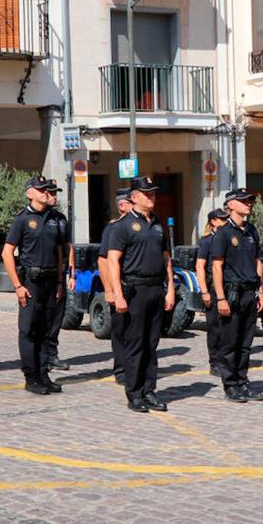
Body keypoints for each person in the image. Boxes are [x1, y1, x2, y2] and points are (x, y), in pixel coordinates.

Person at [104, 176, 176, 412]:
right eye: (147, 194)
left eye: (154, 193)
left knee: (151, 344)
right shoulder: (122, 226)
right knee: (135, 344)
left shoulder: (158, 223)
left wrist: (170, 289)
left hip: (156, 289)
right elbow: (113, 261)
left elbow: (167, 259)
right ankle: (134, 394)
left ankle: (149, 390)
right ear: (134, 198)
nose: (152, 197)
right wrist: (118, 294)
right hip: (134, 290)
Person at [2, 175, 68, 395]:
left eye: (46, 190)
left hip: (51, 281)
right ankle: (31, 377)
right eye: (41, 190)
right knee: (29, 331)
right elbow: (7, 252)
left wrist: (60, 280)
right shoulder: (22, 219)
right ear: (30, 193)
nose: (46, 193)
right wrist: (17, 285)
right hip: (31, 281)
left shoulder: (53, 218)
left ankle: (43, 373)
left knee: (45, 330)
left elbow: (59, 252)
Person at [210, 188, 263, 402]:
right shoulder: (223, 233)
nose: (249, 204)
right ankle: (230, 384)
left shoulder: (251, 231)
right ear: (231, 205)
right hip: (231, 293)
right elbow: (217, 267)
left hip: (249, 292)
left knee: (245, 342)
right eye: (244, 201)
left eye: (250, 201)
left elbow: (256, 262)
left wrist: (260, 289)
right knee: (230, 341)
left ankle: (243, 381)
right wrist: (221, 298)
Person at [99, 188, 134, 384]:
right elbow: (103, 261)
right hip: (120, 287)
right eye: (132, 202)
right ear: (122, 205)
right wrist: (109, 290)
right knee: (120, 330)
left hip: (138, 286)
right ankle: (121, 369)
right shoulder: (113, 228)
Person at [42, 183, 74, 374]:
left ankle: (52, 354)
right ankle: (41, 355)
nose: (54, 196)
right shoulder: (34, 218)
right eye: (51, 193)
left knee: (56, 315)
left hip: (58, 274)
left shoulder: (60, 219)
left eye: (55, 193)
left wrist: (71, 272)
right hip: (40, 275)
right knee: (42, 317)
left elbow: (68, 247)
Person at [196, 208, 230, 375]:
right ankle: (215, 361)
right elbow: (200, 267)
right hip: (213, 285)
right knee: (215, 326)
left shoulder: (229, 238)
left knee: (229, 326)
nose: (225, 221)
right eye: (221, 218)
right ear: (213, 222)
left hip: (229, 285)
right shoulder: (207, 241)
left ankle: (227, 359)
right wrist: (204, 291)